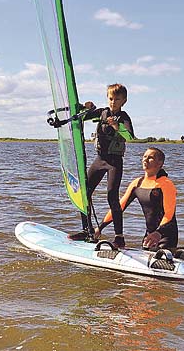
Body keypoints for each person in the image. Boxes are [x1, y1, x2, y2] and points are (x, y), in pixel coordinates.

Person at [68, 83, 134, 248]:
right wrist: (86, 107)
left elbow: (131, 137)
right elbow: (82, 116)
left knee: (112, 195)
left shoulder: (124, 117)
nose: (113, 102)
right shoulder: (103, 112)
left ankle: (119, 236)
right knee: (85, 193)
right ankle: (87, 230)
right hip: (100, 159)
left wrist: (116, 126)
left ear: (124, 101)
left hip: (114, 162)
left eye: (117, 99)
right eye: (111, 98)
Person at [94, 147, 179, 252]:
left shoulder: (166, 184)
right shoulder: (137, 183)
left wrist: (158, 233)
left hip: (166, 235)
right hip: (149, 235)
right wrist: (100, 228)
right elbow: (118, 207)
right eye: (144, 156)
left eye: (151, 157)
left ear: (160, 163)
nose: (145, 160)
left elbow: (169, 214)